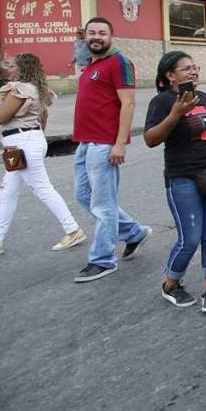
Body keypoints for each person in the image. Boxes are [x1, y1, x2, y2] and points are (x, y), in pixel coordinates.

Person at [144, 52, 206, 313]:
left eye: (195, 68)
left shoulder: (203, 97)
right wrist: (175, 114)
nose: (193, 72)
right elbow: (150, 139)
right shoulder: (162, 101)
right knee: (190, 239)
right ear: (171, 75)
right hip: (183, 178)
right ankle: (170, 284)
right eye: (186, 69)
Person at [72, 17, 151, 283]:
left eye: (102, 33)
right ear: (85, 36)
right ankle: (133, 232)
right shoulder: (91, 63)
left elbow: (128, 104)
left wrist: (119, 143)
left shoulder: (119, 62)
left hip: (105, 143)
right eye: (92, 32)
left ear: (111, 36)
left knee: (103, 204)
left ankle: (103, 259)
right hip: (85, 141)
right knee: (83, 195)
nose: (96, 37)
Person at [0, 53, 85, 255]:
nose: (8, 70)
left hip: (23, 143)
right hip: (24, 142)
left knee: (42, 188)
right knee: (7, 191)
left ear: (23, 68)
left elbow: (0, 117)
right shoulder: (38, 88)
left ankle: (72, 229)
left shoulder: (21, 89)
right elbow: (44, 116)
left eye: (12, 66)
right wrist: (34, 135)